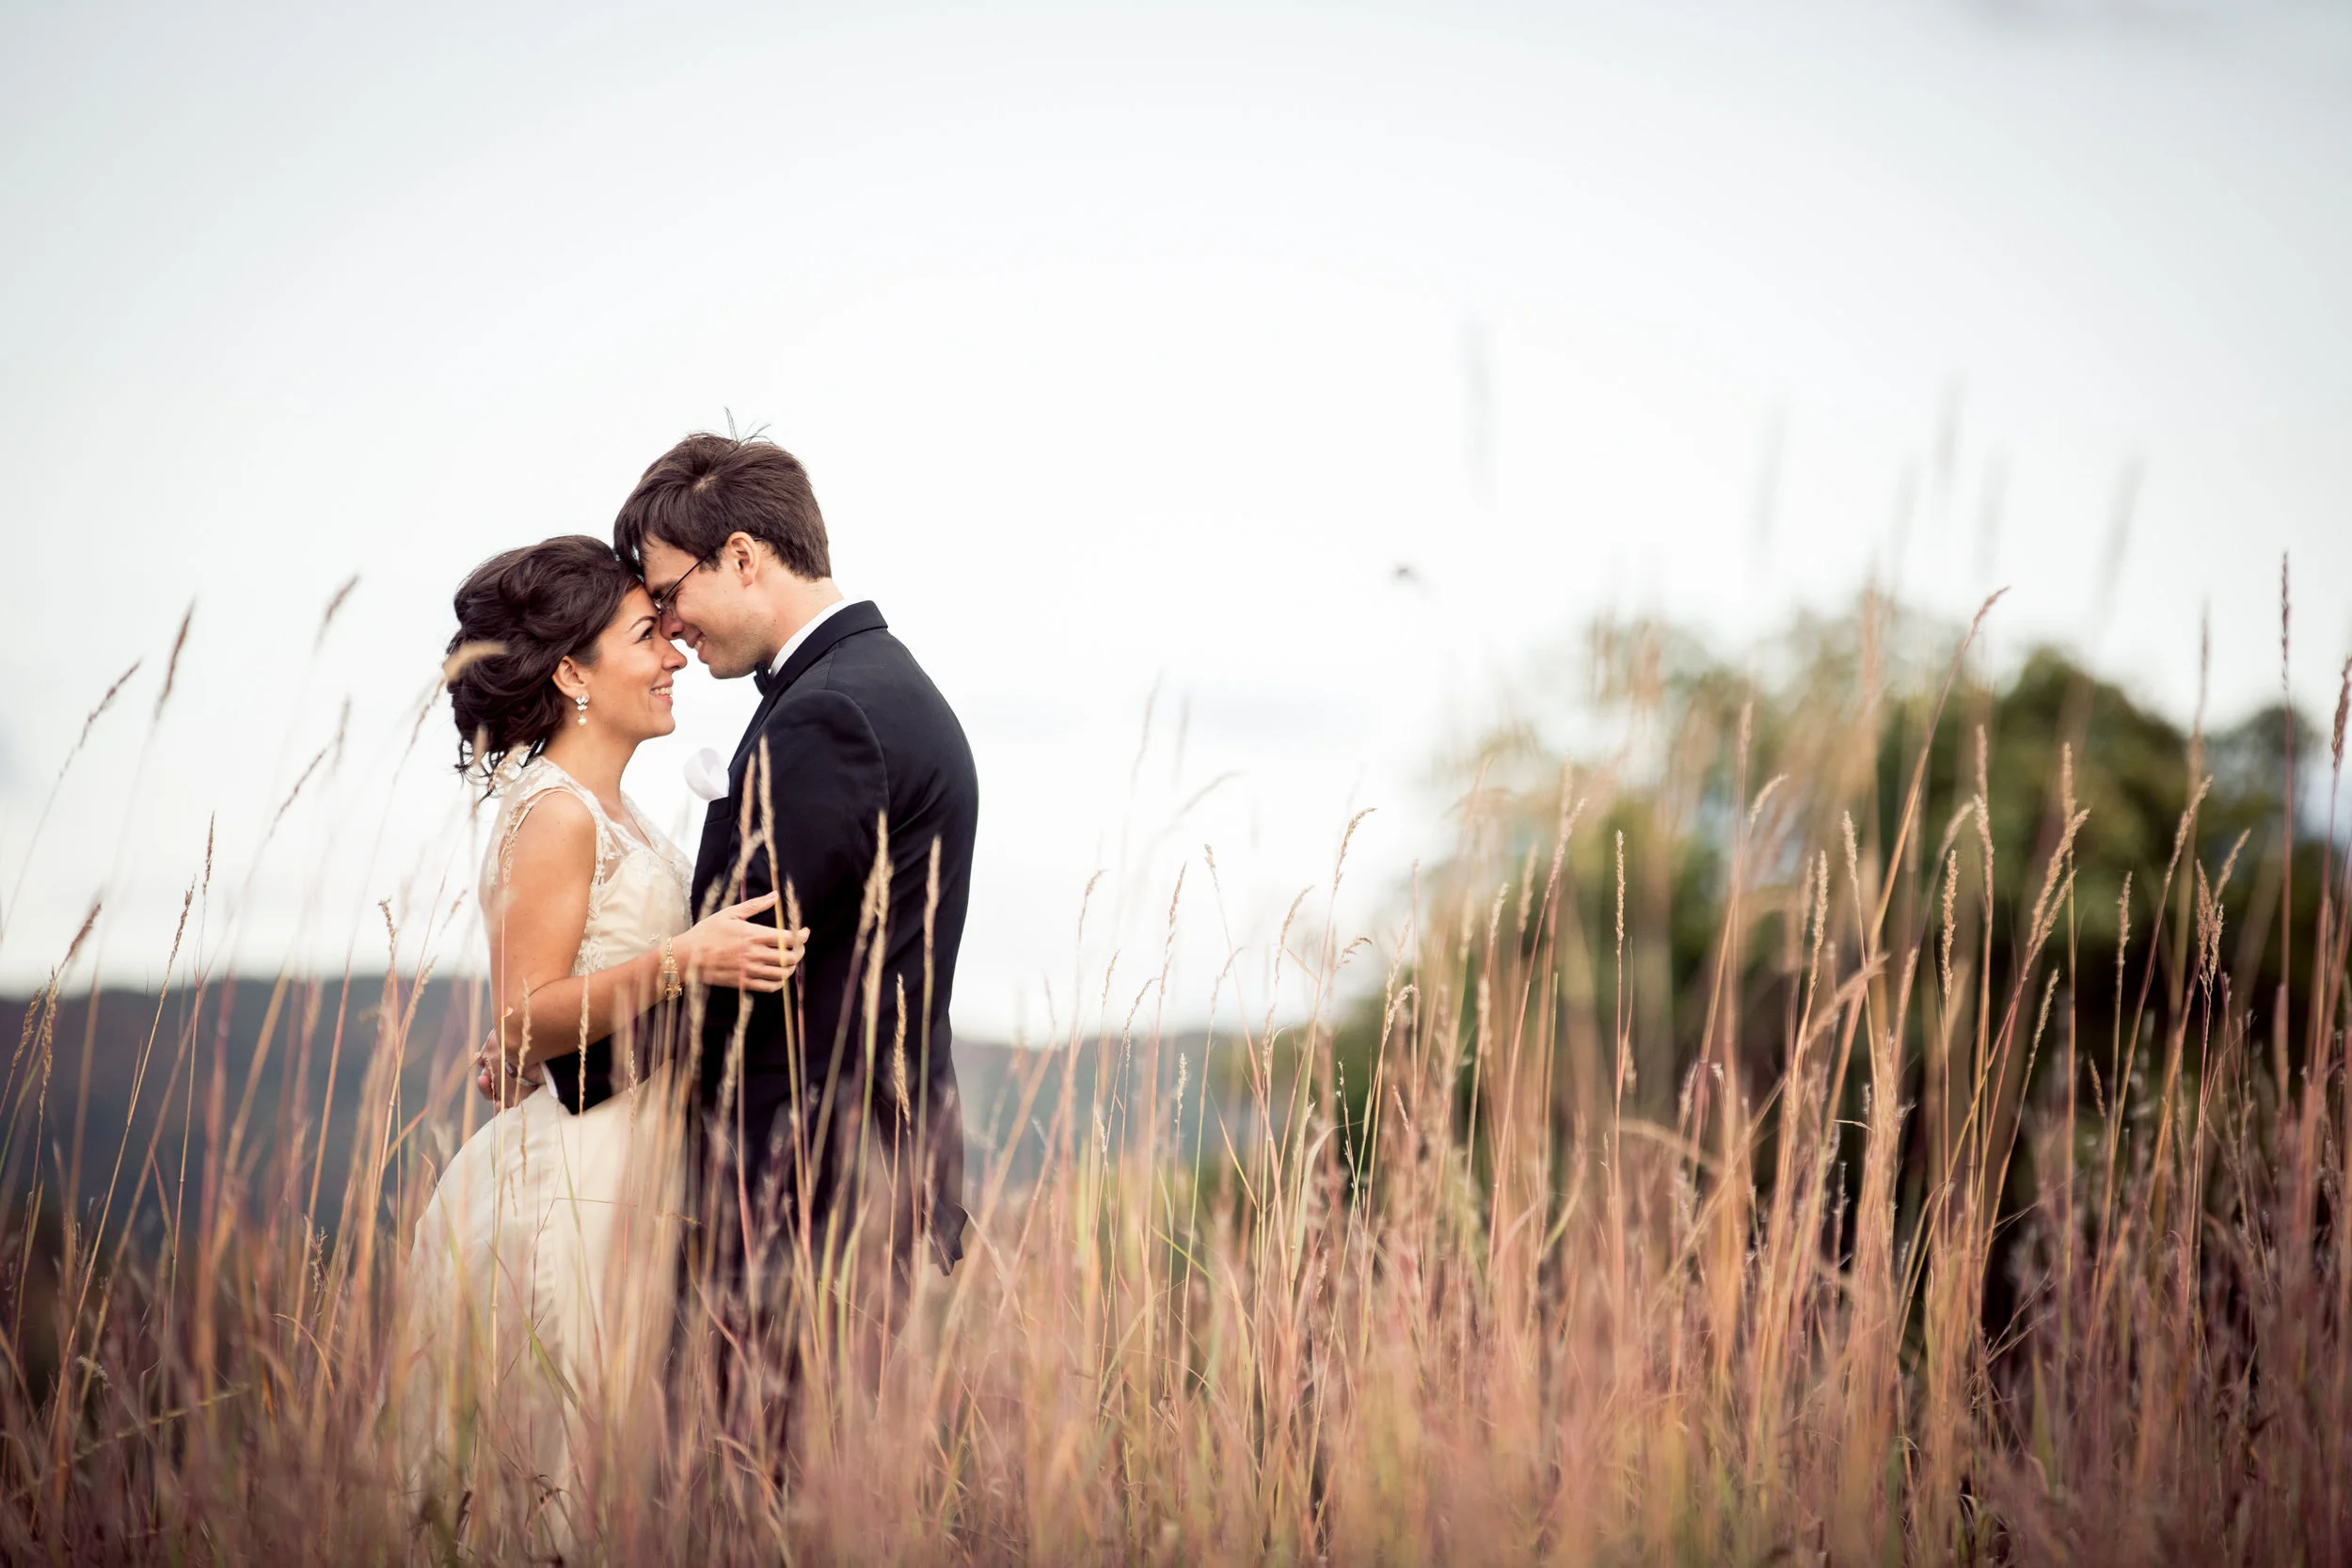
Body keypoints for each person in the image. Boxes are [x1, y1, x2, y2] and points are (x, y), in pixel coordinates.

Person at [391, 534, 804, 1550]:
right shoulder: (554, 812)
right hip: (572, 1185)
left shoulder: (617, 810)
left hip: (634, 1170)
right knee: (560, 1478)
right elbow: (524, 1014)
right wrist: (686, 958)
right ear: (573, 670)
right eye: (645, 633)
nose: (673, 653)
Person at [607, 433, 977, 1404]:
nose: (669, 624)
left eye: (670, 591)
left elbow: (750, 967)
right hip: (849, 1182)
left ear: (740, 555)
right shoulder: (878, 684)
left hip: (794, 1191)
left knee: (743, 1498)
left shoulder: (831, 713)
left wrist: (562, 1059)